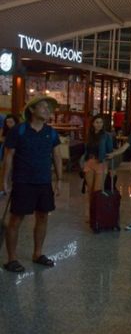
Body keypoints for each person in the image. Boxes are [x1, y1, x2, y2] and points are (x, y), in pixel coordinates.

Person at [3, 96, 63, 272]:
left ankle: (38, 253)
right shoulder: (19, 131)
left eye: (48, 108)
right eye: (43, 107)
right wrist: (4, 181)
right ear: (32, 110)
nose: (47, 110)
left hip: (44, 182)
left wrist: (59, 180)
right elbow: (8, 156)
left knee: (43, 216)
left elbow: (57, 156)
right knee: (16, 219)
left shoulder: (51, 132)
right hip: (23, 181)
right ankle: (11, 259)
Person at [83, 115, 114, 217]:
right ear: (93, 124)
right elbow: (86, 149)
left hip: (101, 163)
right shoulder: (90, 135)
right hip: (90, 162)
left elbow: (110, 152)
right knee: (90, 190)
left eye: (100, 122)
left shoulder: (106, 135)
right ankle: (90, 212)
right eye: (97, 122)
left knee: (97, 191)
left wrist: (111, 168)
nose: (99, 124)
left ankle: (97, 214)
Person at [0, 114, 19, 196]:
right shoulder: (5, 129)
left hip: (15, 152)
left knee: (13, 170)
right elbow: (1, 138)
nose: (8, 124)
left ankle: (11, 187)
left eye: (11, 122)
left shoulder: (18, 130)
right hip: (5, 149)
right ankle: (4, 187)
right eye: (7, 122)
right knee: (4, 168)